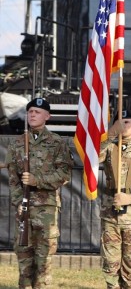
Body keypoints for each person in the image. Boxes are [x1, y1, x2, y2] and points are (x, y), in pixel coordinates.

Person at [5, 98, 73, 288]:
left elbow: (64, 175)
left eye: (37, 112)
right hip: (23, 212)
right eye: (30, 112)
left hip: (46, 211)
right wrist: (19, 202)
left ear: (47, 116)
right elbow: (13, 177)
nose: (32, 115)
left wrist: (37, 181)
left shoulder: (57, 143)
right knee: (24, 263)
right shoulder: (17, 144)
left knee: (43, 264)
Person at [99, 108, 131, 288]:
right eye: (120, 122)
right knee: (110, 263)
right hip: (110, 213)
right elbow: (92, 158)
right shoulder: (110, 147)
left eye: (127, 122)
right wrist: (111, 133)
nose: (123, 125)